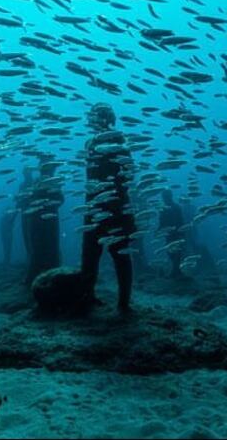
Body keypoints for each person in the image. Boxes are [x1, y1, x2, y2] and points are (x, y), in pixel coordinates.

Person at [80, 103, 136, 313]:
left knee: (118, 254)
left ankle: (123, 303)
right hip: (96, 206)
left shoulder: (119, 139)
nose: (89, 120)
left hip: (114, 206)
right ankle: (89, 297)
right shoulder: (89, 142)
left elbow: (128, 172)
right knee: (90, 254)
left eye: (93, 116)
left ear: (103, 118)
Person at [25, 157, 64, 284]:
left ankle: (47, 277)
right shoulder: (45, 182)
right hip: (44, 221)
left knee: (44, 248)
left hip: (43, 221)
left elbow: (59, 200)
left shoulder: (46, 182)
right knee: (43, 248)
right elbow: (60, 200)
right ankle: (42, 278)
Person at [2, 167, 36, 266]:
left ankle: (32, 261)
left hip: (33, 215)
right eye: (25, 173)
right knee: (26, 238)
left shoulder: (36, 184)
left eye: (28, 172)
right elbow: (19, 201)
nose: (26, 174)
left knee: (33, 238)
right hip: (24, 214)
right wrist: (13, 217)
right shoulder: (22, 185)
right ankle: (29, 261)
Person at [158, 188, 187, 278]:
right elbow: (161, 221)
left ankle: (176, 270)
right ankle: (176, 269)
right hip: (169, 233)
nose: (164, 198)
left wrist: (182, 231)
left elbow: (181, 219)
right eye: (164, 196)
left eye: (165, 196)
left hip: (176, 232)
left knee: (176, 251)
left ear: (169, 196)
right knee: (170, 251)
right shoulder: (164, 208)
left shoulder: (176, 207)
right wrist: (159, 229)